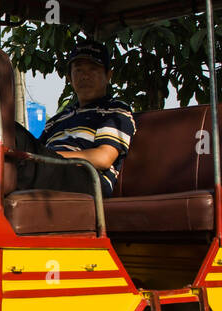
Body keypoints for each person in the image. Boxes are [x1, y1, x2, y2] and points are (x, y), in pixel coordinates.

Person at [14, 40, 136, 196]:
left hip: (88, 179)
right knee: (7, 132)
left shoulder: (115, 111)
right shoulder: (57, 120)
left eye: (93, 69)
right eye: (78, 70)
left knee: (14, 135)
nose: (85, 76)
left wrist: (49, 158)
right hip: (50, 171)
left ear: (108, 76)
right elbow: (36, 149)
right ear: (69, 78)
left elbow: (103, 157)